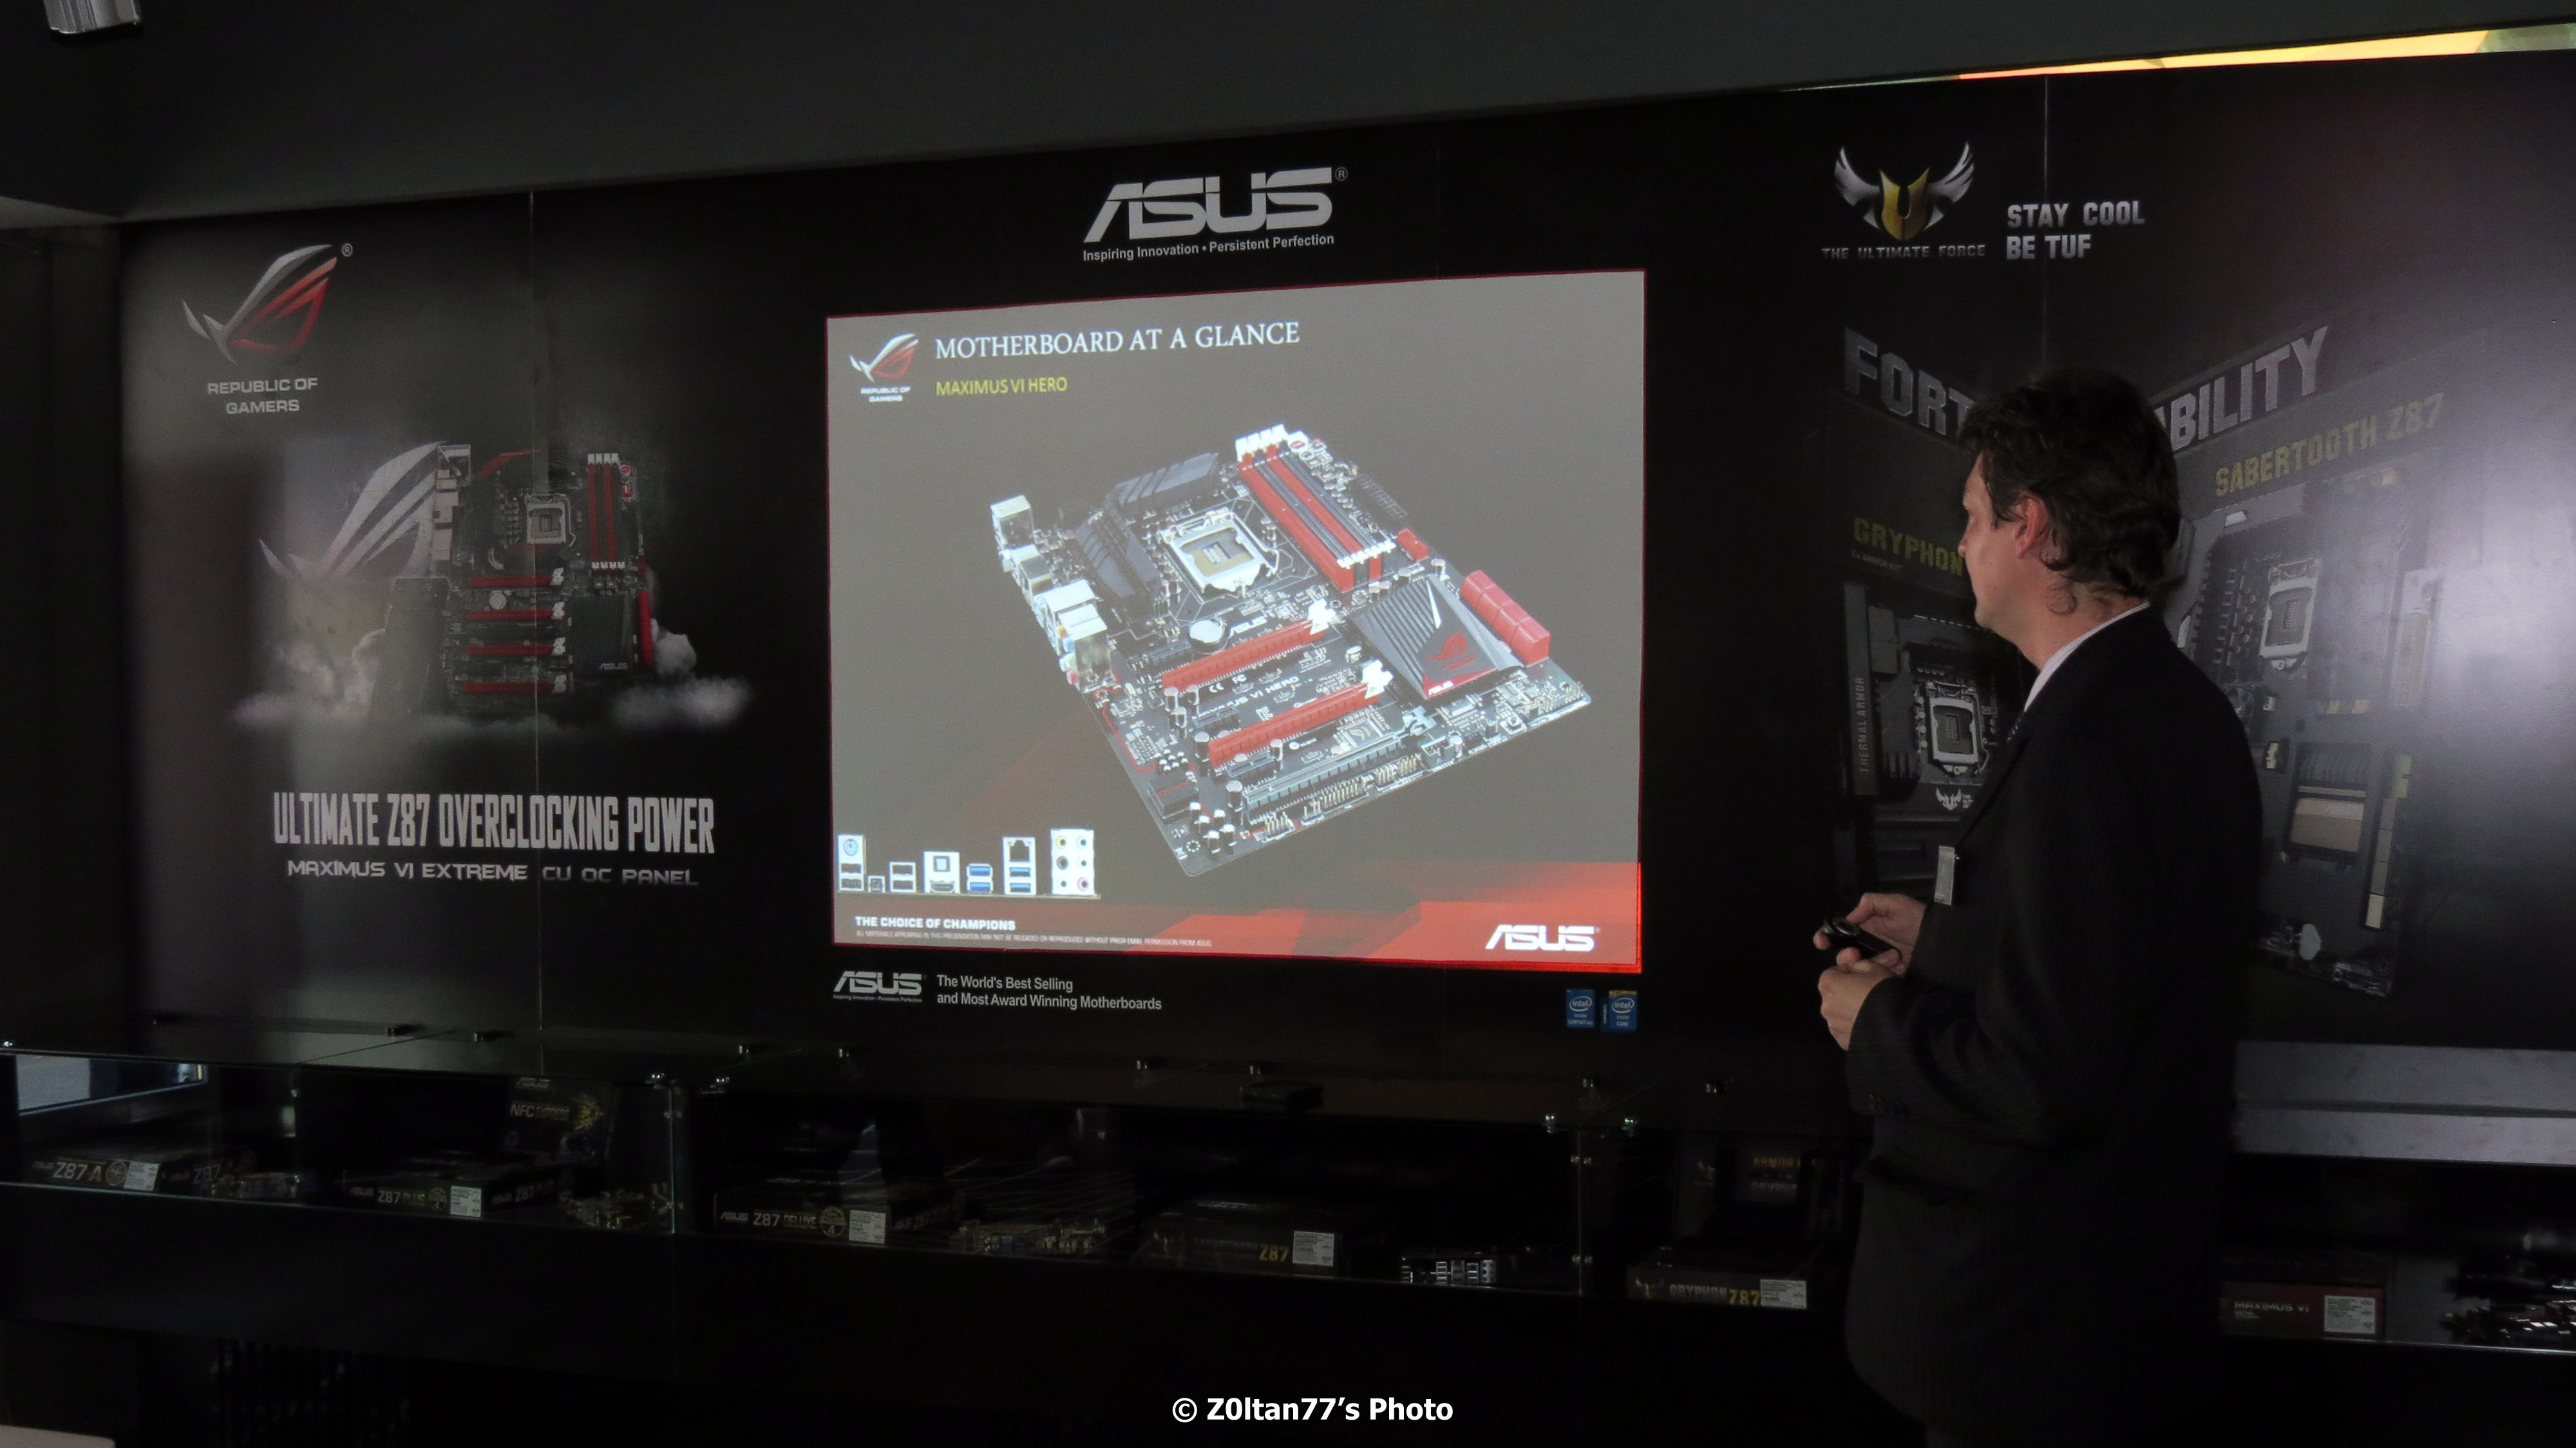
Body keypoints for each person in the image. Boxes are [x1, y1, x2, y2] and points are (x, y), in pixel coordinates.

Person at [1814, 366, 2260, 1448]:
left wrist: (1872, 1021)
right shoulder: (2172, 708)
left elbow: (2043, 1080)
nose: (1962, 543)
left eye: (1975, 515)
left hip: (2031, 1334)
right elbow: (2115, 976)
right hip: (2107, 1316)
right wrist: (1945, 942)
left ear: (2035, 526)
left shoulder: (2087, 743)